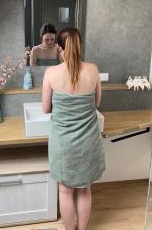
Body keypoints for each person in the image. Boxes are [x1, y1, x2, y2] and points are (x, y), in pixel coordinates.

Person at [42, 27, 105, 230]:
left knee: (65, 191)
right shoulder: (93, 70)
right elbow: (96, 104)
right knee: (84, 190)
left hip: (63, 143)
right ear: (80, 46)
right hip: (88, 140)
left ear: (59, 47)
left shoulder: (51, 73)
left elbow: (45, 109)